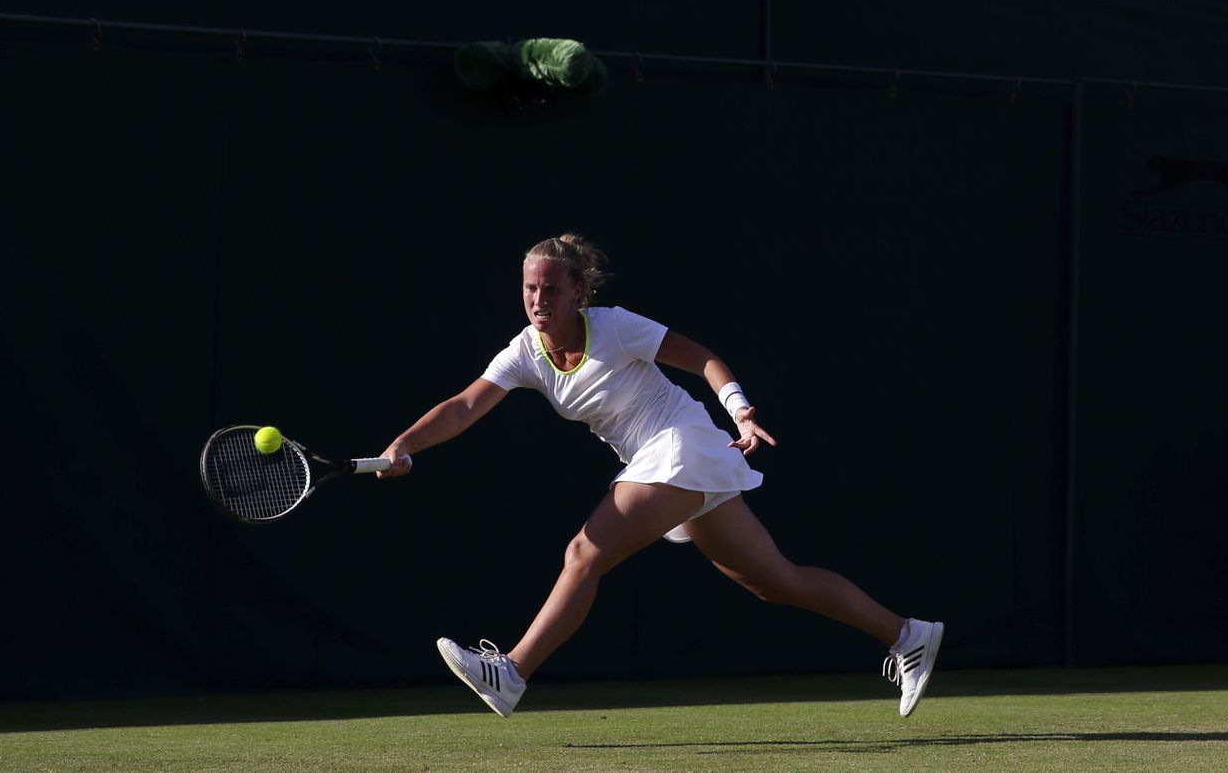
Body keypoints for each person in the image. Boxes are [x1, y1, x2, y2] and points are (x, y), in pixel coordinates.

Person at [376, 232, 944, 718]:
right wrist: (404, 444)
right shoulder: (525, 351)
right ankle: (907, 634)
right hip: (657, 461)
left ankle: (513, 672)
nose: (538, 299)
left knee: (584, 553)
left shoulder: (616, 327)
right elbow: (464, 406)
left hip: (681, 443)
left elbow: (702, 358)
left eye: (551, 288)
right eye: (530, 287)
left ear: (579, 290)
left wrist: (739, 408)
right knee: (777, 582)